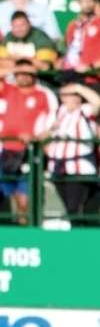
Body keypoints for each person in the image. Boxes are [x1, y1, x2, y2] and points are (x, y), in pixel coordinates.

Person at [0, 58, 55, 220]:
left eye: (27, 73)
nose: (23, 76)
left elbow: (52, 124)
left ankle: (25, 229)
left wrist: (36, 138)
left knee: (24, 201)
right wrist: (15, 68)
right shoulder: (8, 90)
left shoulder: (43, 95)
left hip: (28, 153)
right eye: (20, 73)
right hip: (5, 150)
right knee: (6, 195)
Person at [46, 81, 100, 221]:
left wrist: (79, 88)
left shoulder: (85, 110)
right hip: (58, 167)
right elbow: (45, 134)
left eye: (74, 95)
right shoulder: (60, 112)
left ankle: (78, 232)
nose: (70, 98)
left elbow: (98, 102)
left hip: (79, 168)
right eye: (66, 95)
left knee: (75, 208)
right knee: (69, 207)